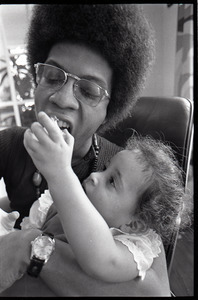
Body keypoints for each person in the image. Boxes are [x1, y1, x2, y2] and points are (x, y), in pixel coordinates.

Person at [0, 4, 173, 297]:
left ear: (110, 110)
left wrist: (31, 248)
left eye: (89, 90)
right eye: (53, 77)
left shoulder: (125, 172)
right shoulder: (11, 144)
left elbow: (151, 291)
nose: (62, 98)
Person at [0, 112, 191, 285]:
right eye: (104, 168)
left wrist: (61, 173)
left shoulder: (133, 247)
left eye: (111, 182)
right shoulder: (60, 206)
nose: (94, 176)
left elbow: (102, 260)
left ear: (135, 225)